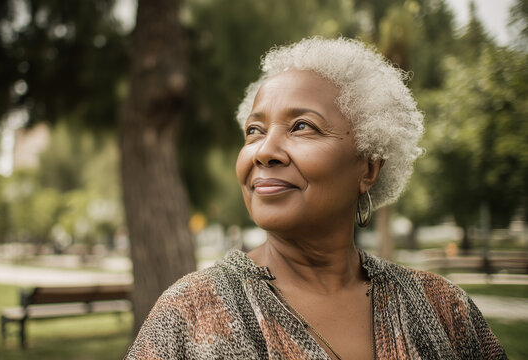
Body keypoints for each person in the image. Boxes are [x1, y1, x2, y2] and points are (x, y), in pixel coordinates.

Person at [125, 37, 507, 359]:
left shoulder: (444, 310)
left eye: (302, 126)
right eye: (254, 130)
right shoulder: (189, 314)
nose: (264, 151)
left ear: (369, 169)